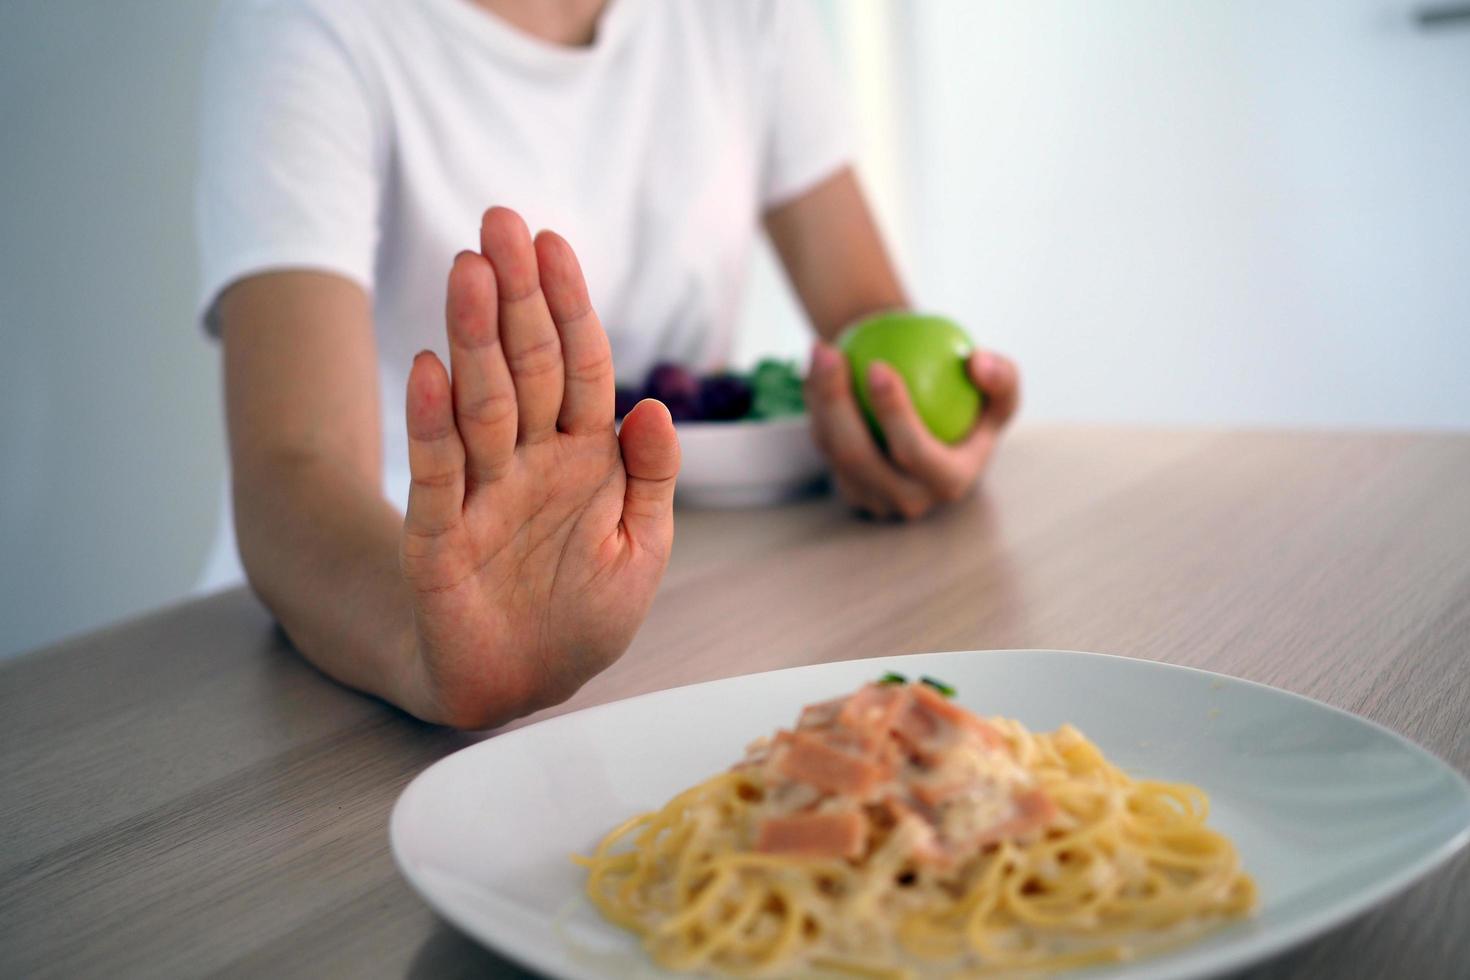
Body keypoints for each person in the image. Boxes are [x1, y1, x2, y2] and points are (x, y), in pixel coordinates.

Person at [197, 0, 1020, 729]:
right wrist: (429, 640)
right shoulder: (310, 21)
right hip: (348, 636)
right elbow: (290, 466)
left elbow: (865, 324)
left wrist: (906, 437)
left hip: (661, 609)